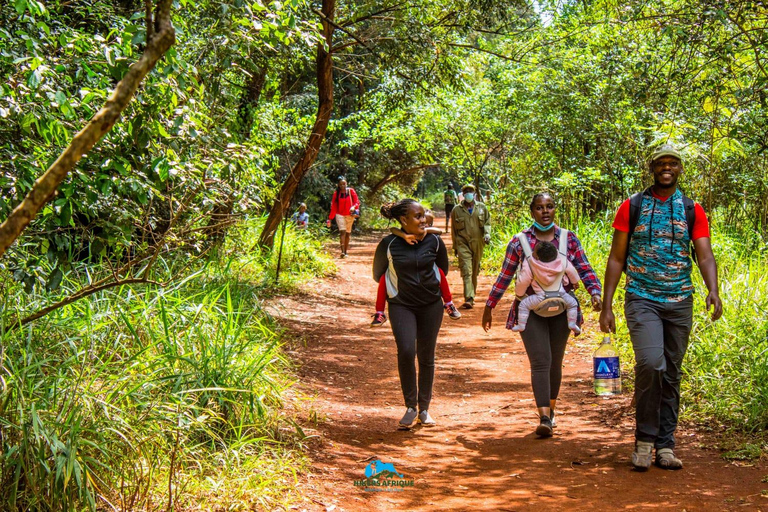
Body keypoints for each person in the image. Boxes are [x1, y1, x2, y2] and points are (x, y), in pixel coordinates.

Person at [599, 144, 722, 471]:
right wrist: (606, 305)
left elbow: (705, 255)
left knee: (671, 372)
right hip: (641, 298)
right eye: (661, 163)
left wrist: (714, 290)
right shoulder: (632, 207)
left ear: (680, 169)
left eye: (673, 163)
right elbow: (616, 257)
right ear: (652, 168)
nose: (667, 168)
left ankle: (665, 445)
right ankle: (644, 440)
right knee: (652, 364)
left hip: (680, 300)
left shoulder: (692, 209)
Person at [482, 192, 602, 437]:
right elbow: (506, 275)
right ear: (532, 211)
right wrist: (489, 305)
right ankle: (544, 417)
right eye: (539, 207)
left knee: (555, 361)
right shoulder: (519, 242)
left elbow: (584, 268)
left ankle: (553, 410)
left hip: (561, 309)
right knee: (540, 361)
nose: (545, 211)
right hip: (531, 308)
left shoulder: (569, 239)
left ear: (554, 210)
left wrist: (595, 293)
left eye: (549, 207)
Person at [373, 199, 449, 427]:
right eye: (417, 216)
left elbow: (443, 269)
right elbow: (379, 274)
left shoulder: (435, 241)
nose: (423, 219)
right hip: (401, 305)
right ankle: (410, 406)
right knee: (406, 351)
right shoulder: (388, 244)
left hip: (431, 306)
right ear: (403, 220)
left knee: (426, 356)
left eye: (423, 214)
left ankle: (424, 410)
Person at [371, 209, 461, 327]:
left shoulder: (432, 238)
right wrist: (404, 235)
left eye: (427, 223)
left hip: (429, 295)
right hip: (401, 298)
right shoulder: (393, 241)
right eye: (420, 219)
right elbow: (393, 229)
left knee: (439, 273)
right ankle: (379, 312)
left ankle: (448, 302)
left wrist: (425, 231)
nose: (424, 224)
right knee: (384, 277)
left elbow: (438, 231)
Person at [512, 240, 582, 336]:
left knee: (523, 305)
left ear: (536, 256)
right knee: (573, 304)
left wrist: (519, 293)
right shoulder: (562, 259)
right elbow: (571, 271)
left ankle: (521, 325)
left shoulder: (530, 263)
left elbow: (523, 281)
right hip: (561, 295)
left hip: (540, 298)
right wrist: (575, 282)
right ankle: (572, 323)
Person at [450, 183, 491, 309]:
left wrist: (487, 234)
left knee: (474, 270)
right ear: (463, 194)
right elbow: (453, 230)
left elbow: (487, 223)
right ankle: (469, 297)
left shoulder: (482, 208)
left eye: (470, 191)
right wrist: (455, 246)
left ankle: (471, 294)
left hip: (478, 242)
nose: (468, 193)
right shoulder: (456, 210)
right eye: (466, 191)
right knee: (466, 270)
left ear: (474, 194)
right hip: (462, 242)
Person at [327, 177, 359, 258]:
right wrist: (330, 218)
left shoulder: (351, 191)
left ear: (346, 183)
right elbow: (333, 206)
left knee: (348, 233)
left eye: (344, 184)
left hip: (349, 215)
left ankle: (346, 251)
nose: (342, 186)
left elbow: (357, 202)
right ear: (338, 185)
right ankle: (342, 252)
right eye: (340, 184)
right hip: (339, 215)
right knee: (342, 232)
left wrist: (354, 207)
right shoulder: (336, 193)